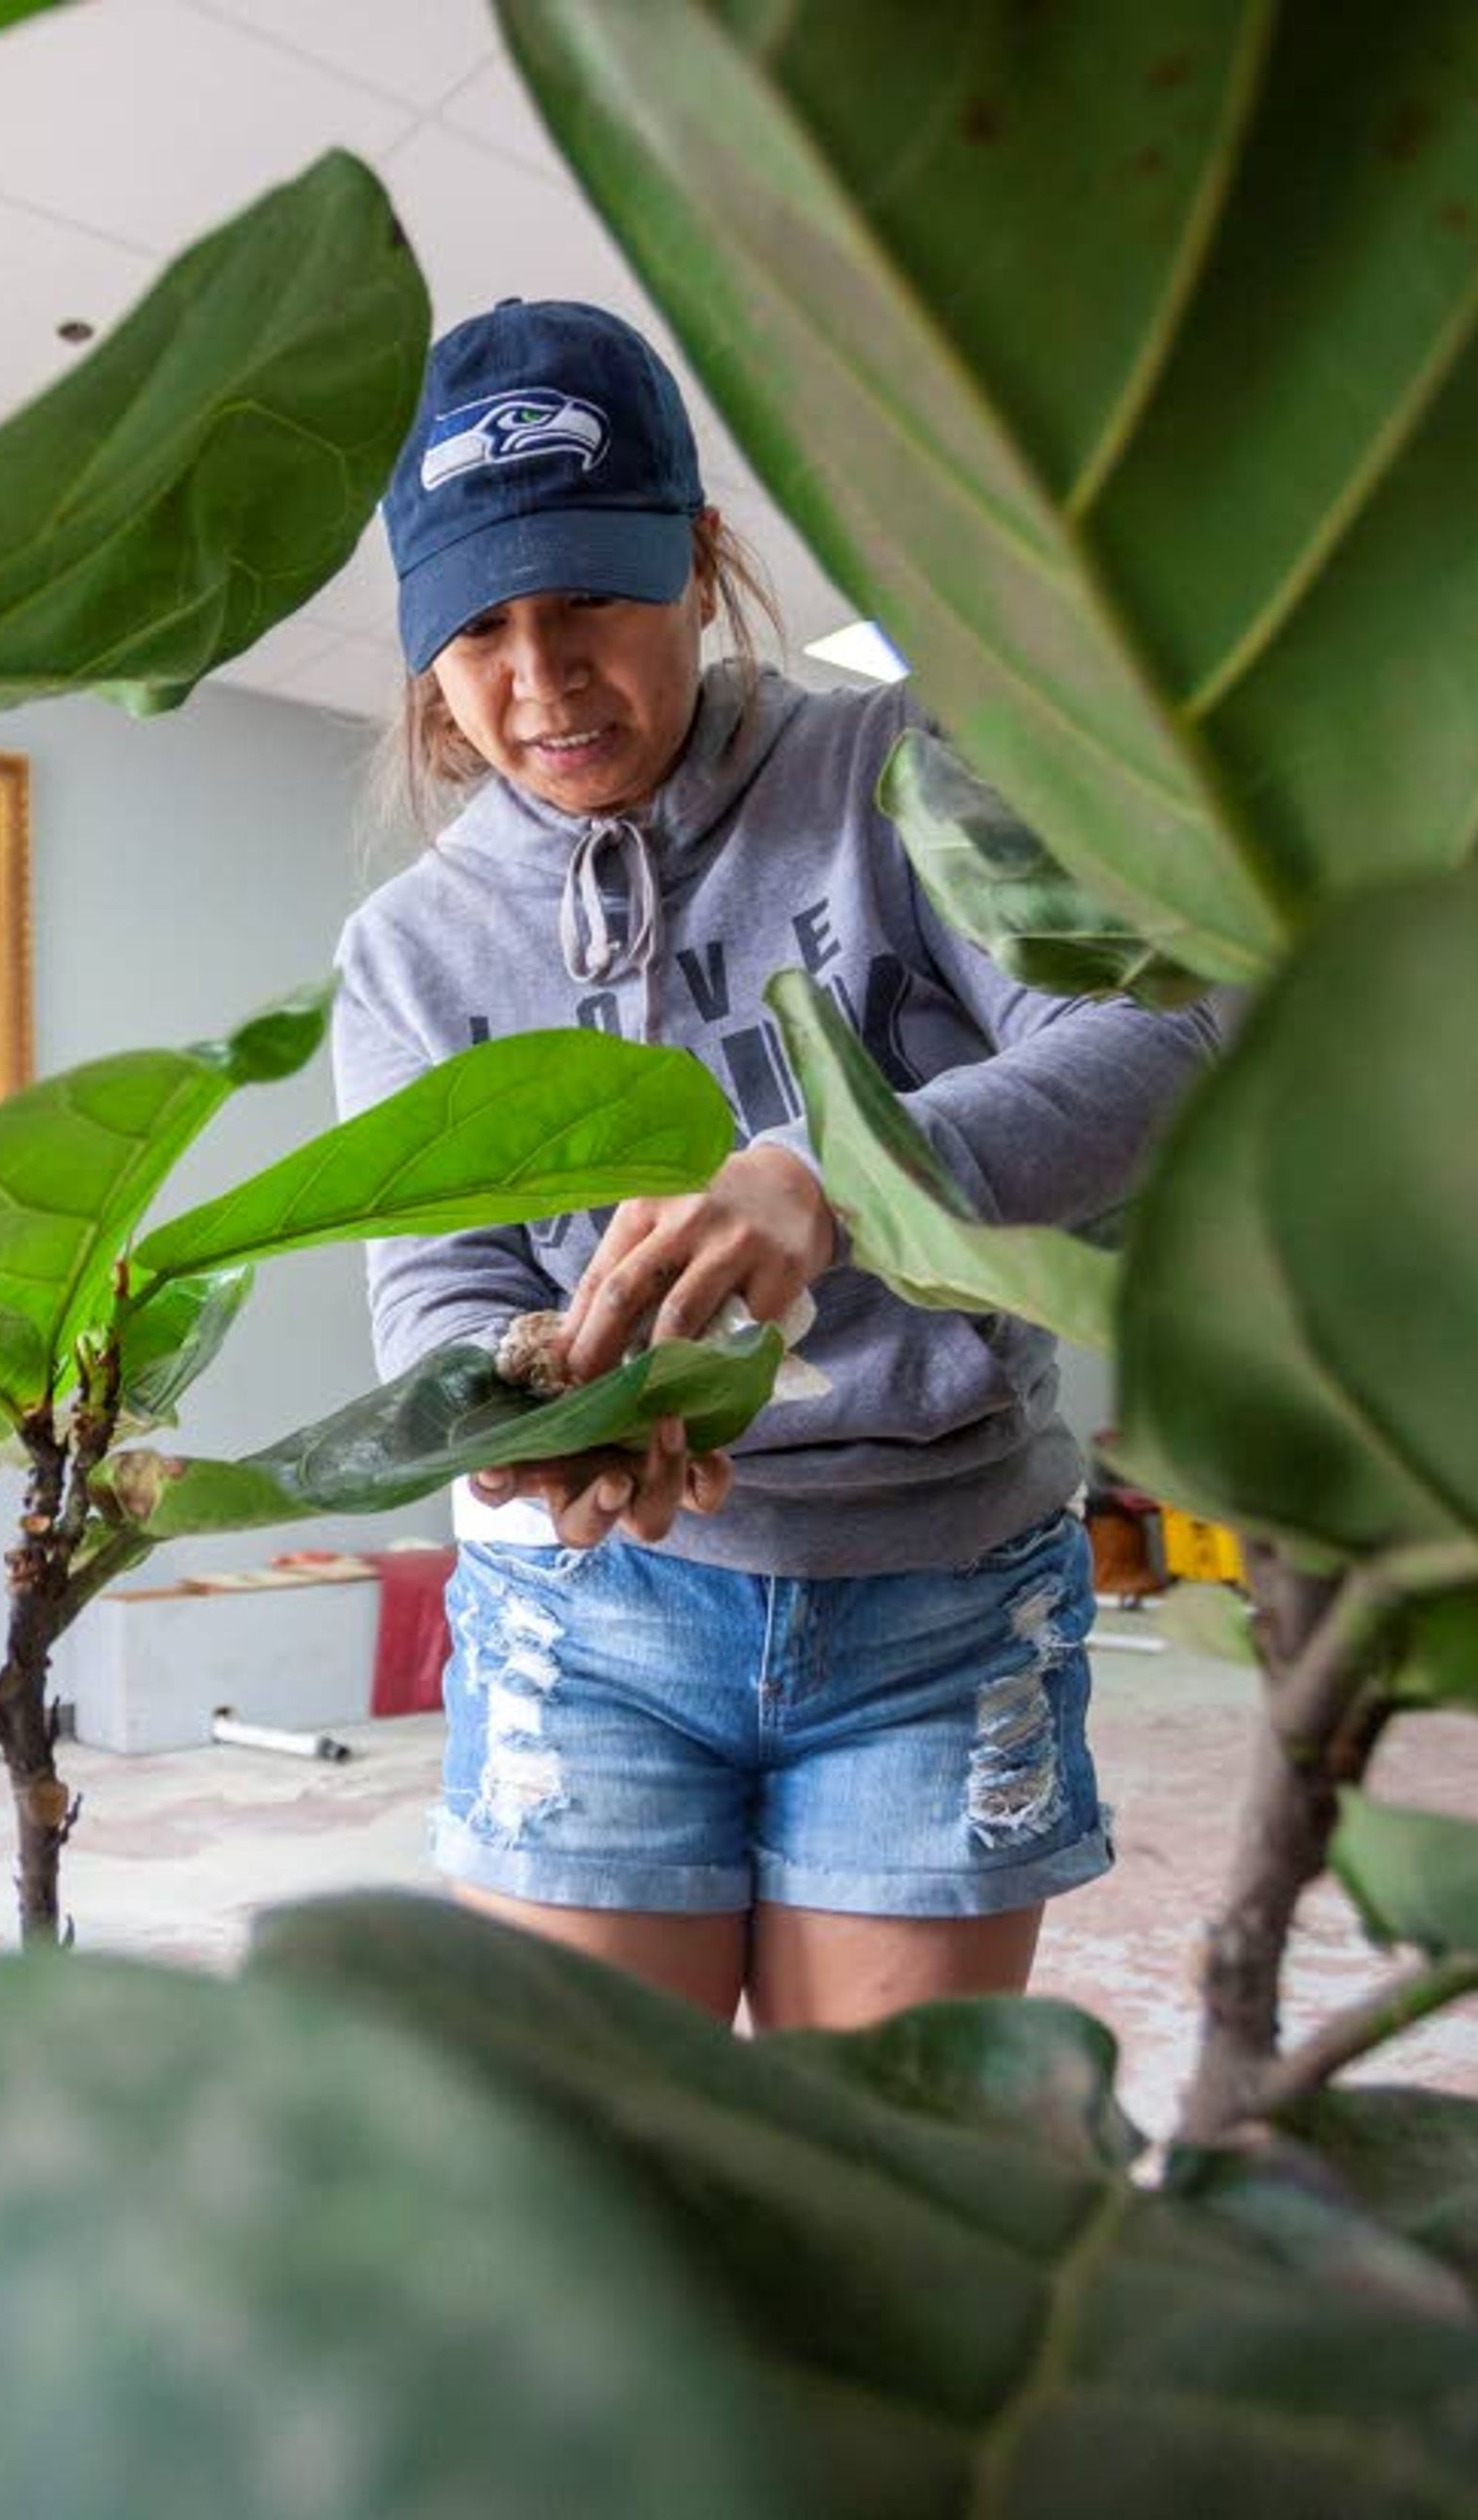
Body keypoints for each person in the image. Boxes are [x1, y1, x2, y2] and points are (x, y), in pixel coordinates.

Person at [334, 300, 1224, 2032]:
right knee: (614, 2187)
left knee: (878, 2187)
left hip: (940, 1593)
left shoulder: (900, 771)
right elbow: (433, 1287)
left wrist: (833, 1180)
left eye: (591, 592)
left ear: (698, 557)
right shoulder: (410, 952)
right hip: (589, 1625)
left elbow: (1166, 1043)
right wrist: (534, 1426)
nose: (543, 677)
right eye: (481, 627)